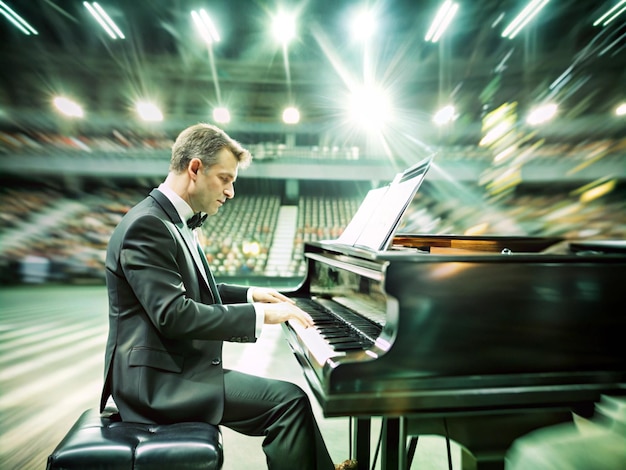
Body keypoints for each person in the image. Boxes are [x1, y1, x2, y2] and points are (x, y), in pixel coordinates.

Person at [100, 123, 356, 470]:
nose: (231, 191)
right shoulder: (148, 226)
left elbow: (198, 290)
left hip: (169, 370)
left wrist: (254, 294)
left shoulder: (171, 220)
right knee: (288, 403)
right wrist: (261, 315)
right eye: (225, 178)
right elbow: (174, 315)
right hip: (156, 385)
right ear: (195, 168)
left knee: (288, 400)